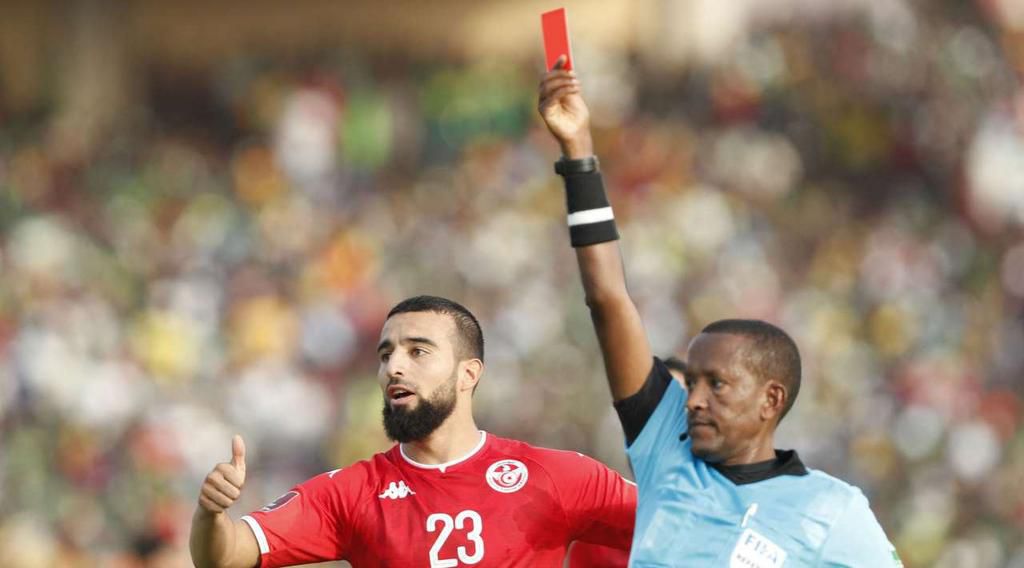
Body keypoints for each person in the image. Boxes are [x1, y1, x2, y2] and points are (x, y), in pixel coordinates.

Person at [538, 57, 903, 567]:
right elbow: (607, 299)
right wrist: (578, 151)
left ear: (770, 400)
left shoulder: (834, 512)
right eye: (692, 384)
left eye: (717, 384)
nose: (693, 399)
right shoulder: (667, 447)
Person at [190, 295, 636, 568]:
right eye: (386, 354)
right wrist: (210, 514)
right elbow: (226, 555)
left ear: (468, 373)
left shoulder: (554, 477)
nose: (394, 367)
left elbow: (686, 522)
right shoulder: (350, 493)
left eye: (417, 351)